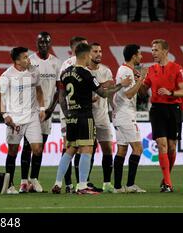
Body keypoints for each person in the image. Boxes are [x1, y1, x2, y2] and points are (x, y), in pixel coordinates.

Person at [51, 43, 132, 195]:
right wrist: (122, 84)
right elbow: (104, 94)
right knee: (87, 149)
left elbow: (65, 95)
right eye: (90, 55)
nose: (91, 58)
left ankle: (57, 182)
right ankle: (82, 186)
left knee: (69, 150)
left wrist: (72, 109)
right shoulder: (87, 74)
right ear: (85, 56)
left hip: (71, 116)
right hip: (84, 117)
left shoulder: (66, 73)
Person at [0, 47, 46, 195]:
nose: (28, 59)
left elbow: (39, 90)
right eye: (25, 57)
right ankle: (10, 185)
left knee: (37, 149)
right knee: (12, 151)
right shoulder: (7, 75)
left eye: (27, 56)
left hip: (32, 117)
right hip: (15, 119)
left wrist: (42, 108)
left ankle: (31, 180)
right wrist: (5, 115)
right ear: (17, 61)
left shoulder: (33, 71)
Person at [142, 39, 183, 192]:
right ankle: (168, 183)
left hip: (173, 109)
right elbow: (143, 90)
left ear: (165, 51)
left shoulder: (177, 68)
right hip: (157, 109)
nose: (153, 53)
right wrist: (140, 80)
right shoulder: (151, 69)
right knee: (162, 145)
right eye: (152, 49)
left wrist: (171, 93)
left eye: (156, 50)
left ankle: (166, 178)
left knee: (172, 147)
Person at [19, 32, 61, 193]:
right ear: (36, 44)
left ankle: (34, 179)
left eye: (46, 42)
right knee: (28, 146)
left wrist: (51, 109)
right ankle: (24, 181)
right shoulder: (29, 61)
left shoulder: (56, 63)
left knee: (40, 147)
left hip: (47, 112)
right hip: (30, 111)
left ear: (50, 44)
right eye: (40, 42)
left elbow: (60, 90)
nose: (43, 45)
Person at [112, 44, 148, 193]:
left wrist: (140, 80)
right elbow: (128, 94)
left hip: (121, 115)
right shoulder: (125, 71)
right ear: (133, 56)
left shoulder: (129, 70)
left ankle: (118, 187)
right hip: (125, 116)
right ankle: (131, 184)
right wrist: (141, 79)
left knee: (121, 150)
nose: (141, 57)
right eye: (139, 54)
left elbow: (142, 94)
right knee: (138, 148)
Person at [59, 36, 88, 193]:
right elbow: (61, 93)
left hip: (79, 112)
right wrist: (67, 114)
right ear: (73, 47)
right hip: (72, 113)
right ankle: (69, 183)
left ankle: (79, 183)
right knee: (71, 147)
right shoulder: (68, 65)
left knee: (78, 147)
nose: (85, 48)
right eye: (82, 45)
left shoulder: (84, 64)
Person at [87, 43, 115, 193]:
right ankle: (85, 181)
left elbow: (109, 92)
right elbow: (92, 91)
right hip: (88, 117)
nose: (99, 54)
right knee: (88, 150)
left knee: (108, 149)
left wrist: (114, 107)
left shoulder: (106, 70)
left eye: (100, 51)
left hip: (103, 117)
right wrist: (104, 87)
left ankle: (107, 183)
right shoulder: (85, 71)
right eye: (95, 51)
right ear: (89, 53)